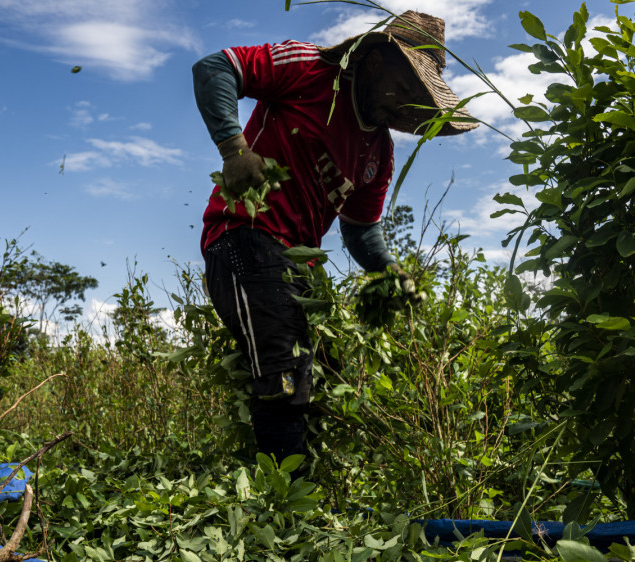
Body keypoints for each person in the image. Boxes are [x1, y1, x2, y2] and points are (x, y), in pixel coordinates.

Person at [192, 10, 476, 467]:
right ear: (375, 63)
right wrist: (233, 149)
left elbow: (360, 229)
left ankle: (300, 481)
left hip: (297, 266)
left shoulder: (379, 154)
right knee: (283, 375)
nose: (403, 107)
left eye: (415, 101)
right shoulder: (310, 70)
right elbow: (216, 68)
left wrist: (391, 272)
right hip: (245, 235)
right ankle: (283, 499)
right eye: (403, 90)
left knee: (326, 372)